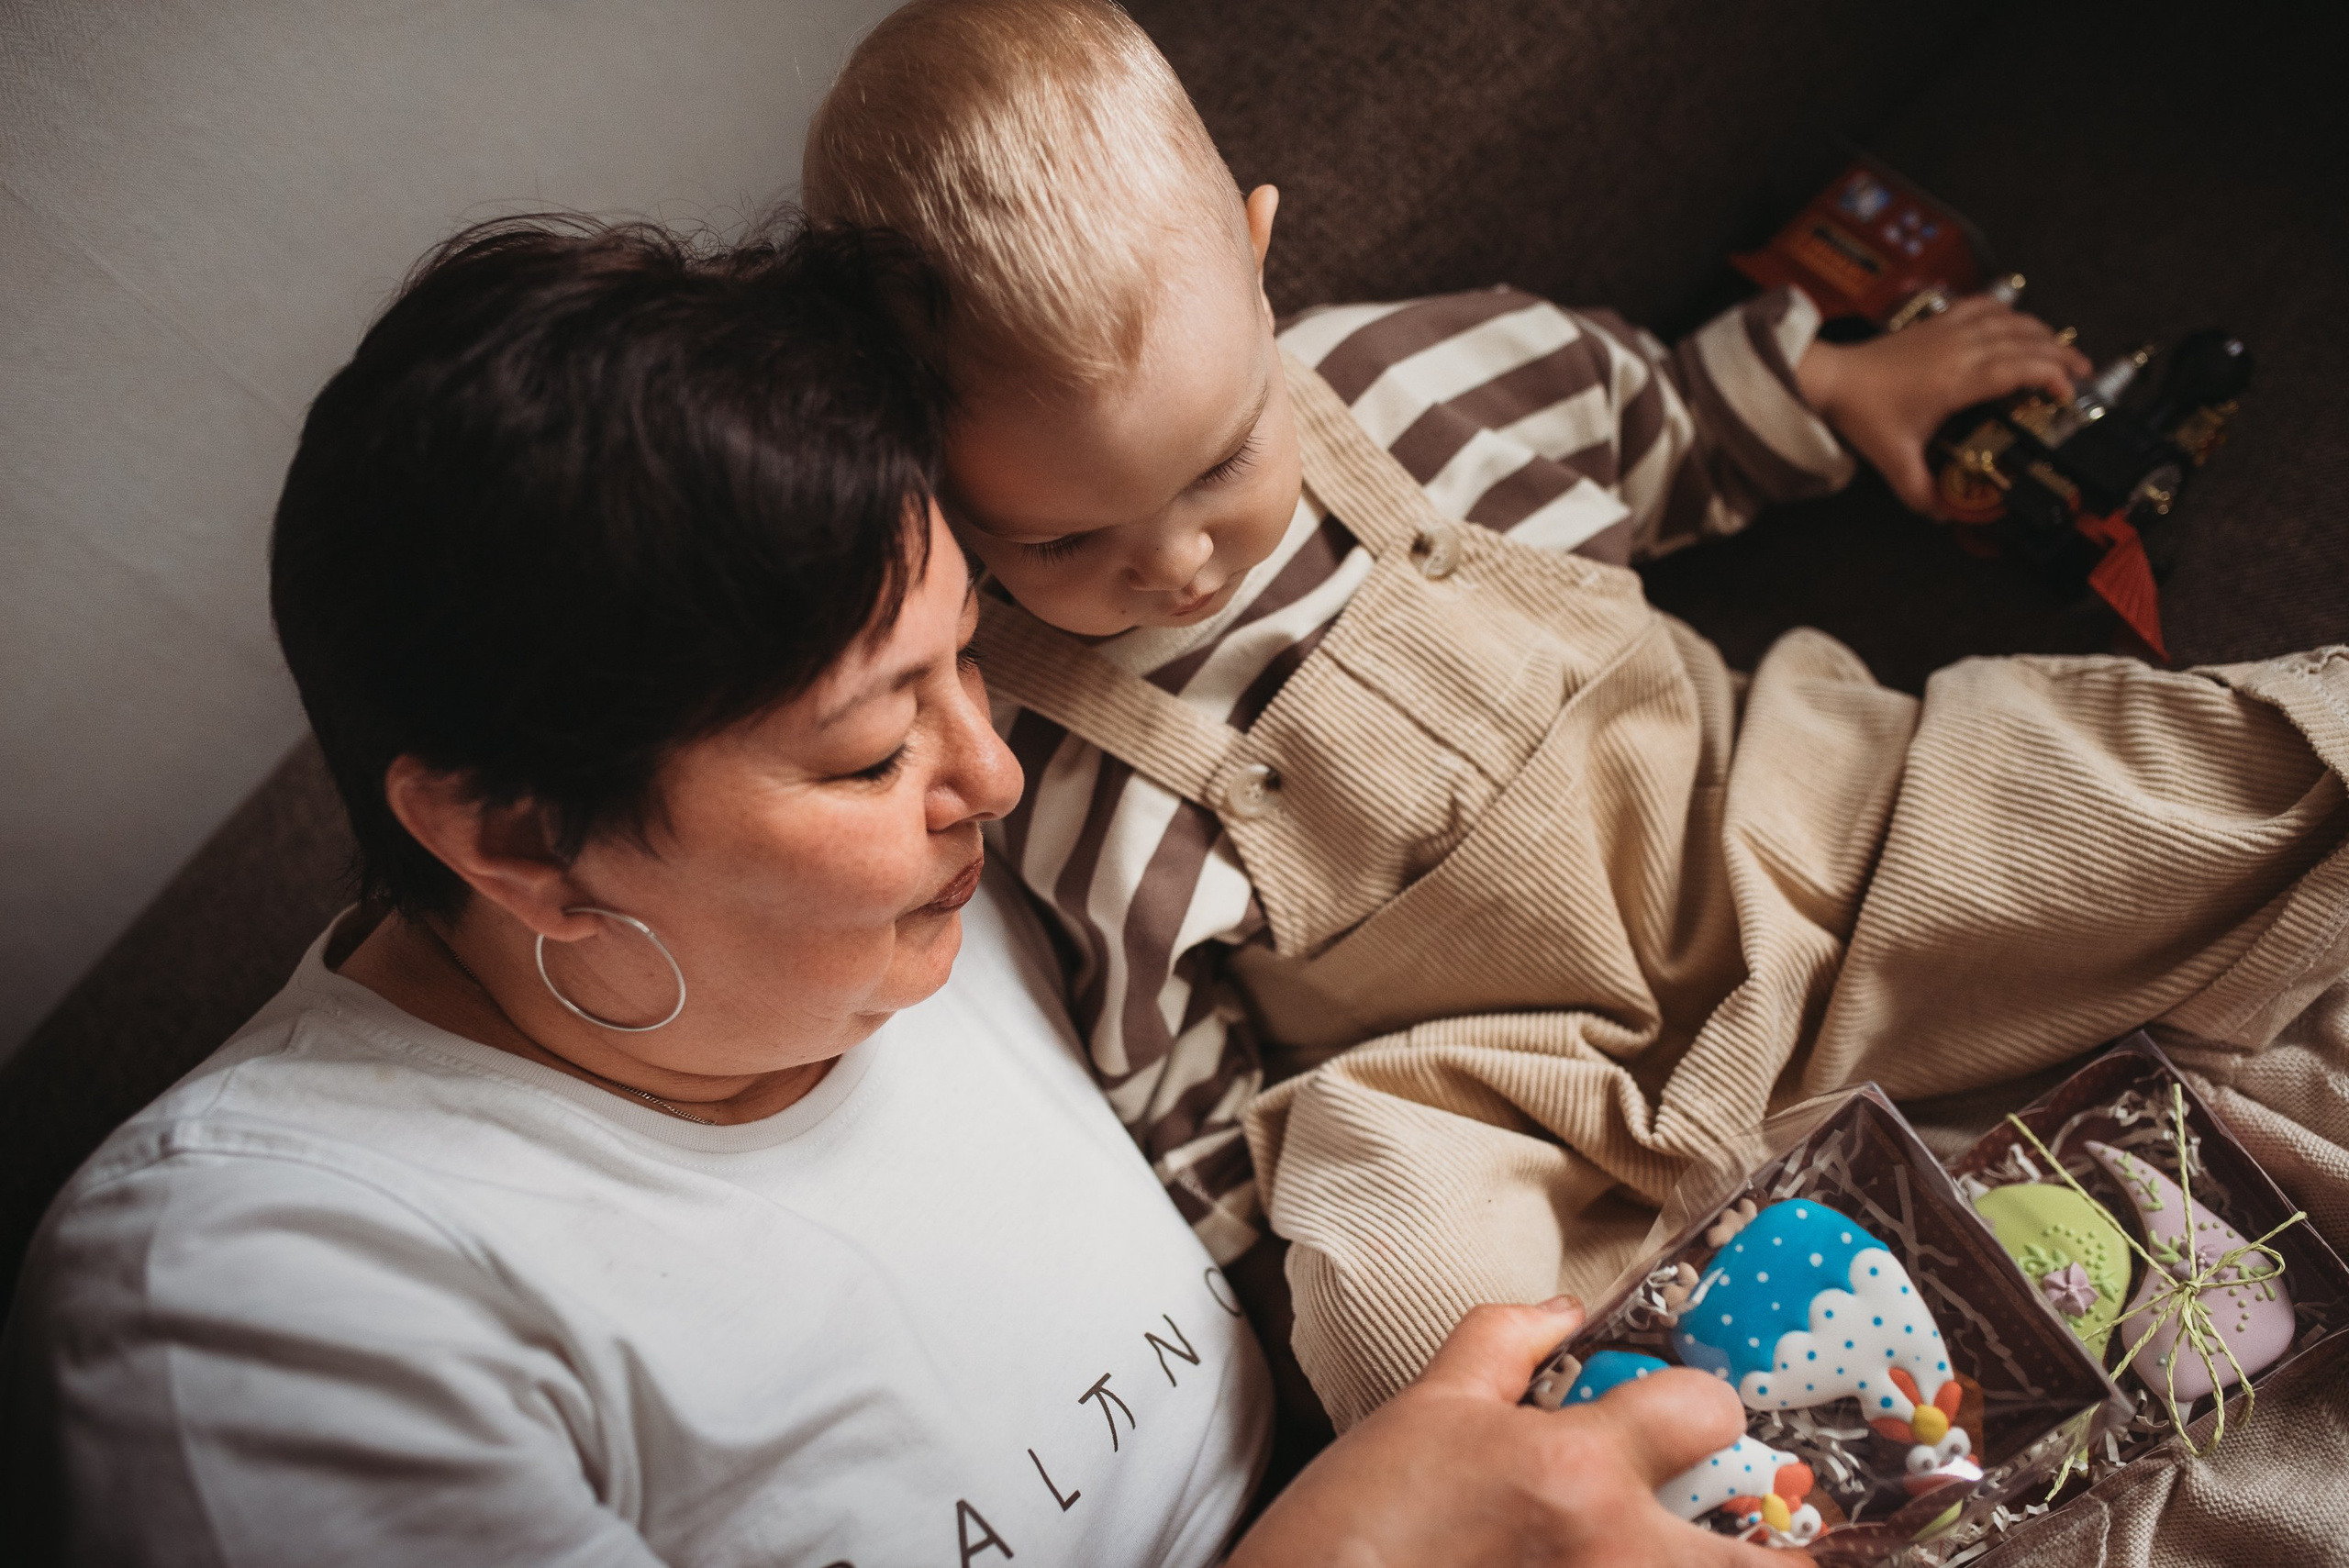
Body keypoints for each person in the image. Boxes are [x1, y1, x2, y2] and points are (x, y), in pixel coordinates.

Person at [0, 214, 1790, 1567]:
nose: (992, 781)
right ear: (520, 842)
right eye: (865, 755)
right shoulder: (252, 1295)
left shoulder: (947, 895)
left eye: (966, 662)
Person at [800, 0, 2349, 1428]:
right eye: (1062, 542)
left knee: (2113, 785)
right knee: (1394, 1290)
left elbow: (1657, 418)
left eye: (1219, 459)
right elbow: (1181, 1094)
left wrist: (1830, 394)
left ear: (1259, 255)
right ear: (931, 479)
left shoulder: (1424, 379)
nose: (1178, 560)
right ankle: (1673, 1430)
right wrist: (1269, 1277)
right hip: (1505, 1088)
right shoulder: (1047, 753)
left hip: (1800, 840)